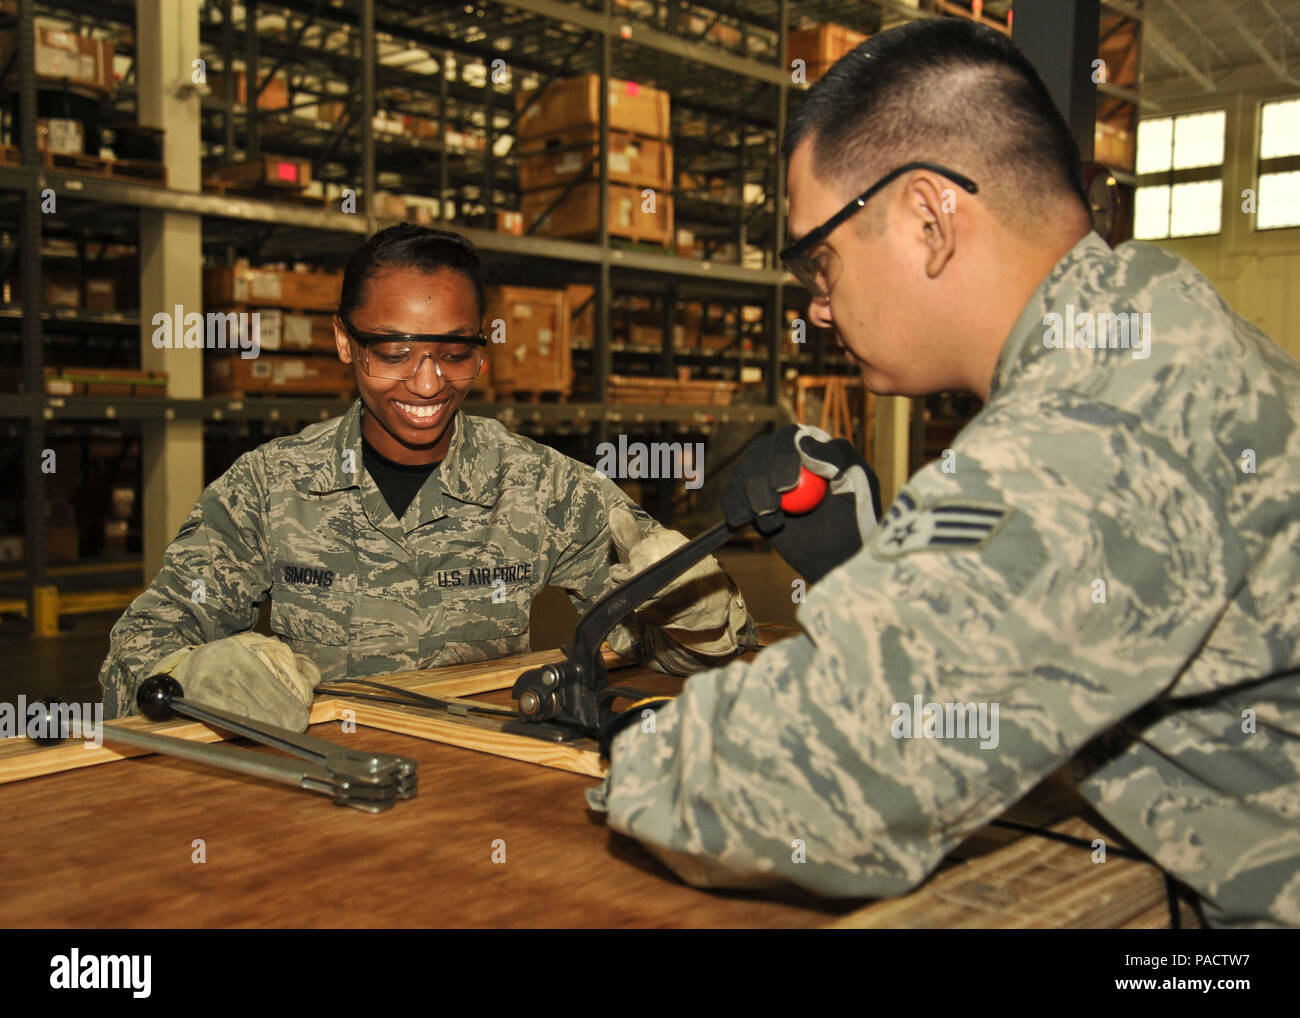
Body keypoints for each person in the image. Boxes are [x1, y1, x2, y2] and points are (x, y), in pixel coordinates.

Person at [587, 18, 1300, 929]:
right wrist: (882, 571)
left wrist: (633, 748)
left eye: (818, 259)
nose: (818, 307)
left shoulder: (1092, 423)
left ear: (928, 219)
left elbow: (802, 781)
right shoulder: (1155, 330)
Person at [98, 225, 755, 730]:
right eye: (393, 351)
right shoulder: (269, 488)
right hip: (318, 787)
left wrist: (695, 621)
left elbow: (684, 653)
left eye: (454, 351)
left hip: (483, 790)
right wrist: (190, 679)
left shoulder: (540, 486)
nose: (427, 382)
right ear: (344, 341)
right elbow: (136, 652)